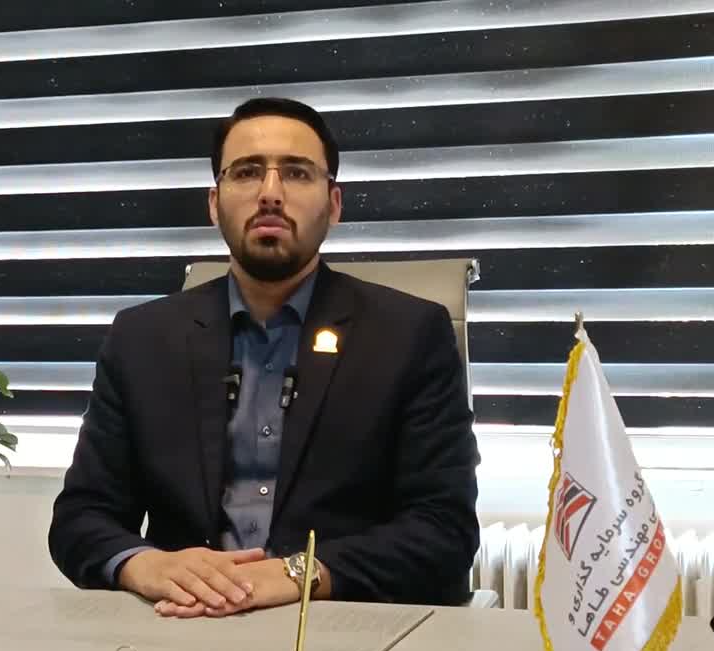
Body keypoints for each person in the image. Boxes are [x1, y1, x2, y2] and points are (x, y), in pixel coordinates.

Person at [47, 97, 481, 617]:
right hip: (182, 624)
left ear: (334, 204)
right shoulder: (142, 338)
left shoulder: (408, 335)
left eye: (296, 173)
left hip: (339, 623)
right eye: (247, 172)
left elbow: (444, 531)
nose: (270, 193)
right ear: (214, 203)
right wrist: (146, 565)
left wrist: (297, 573)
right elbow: (80, 518)